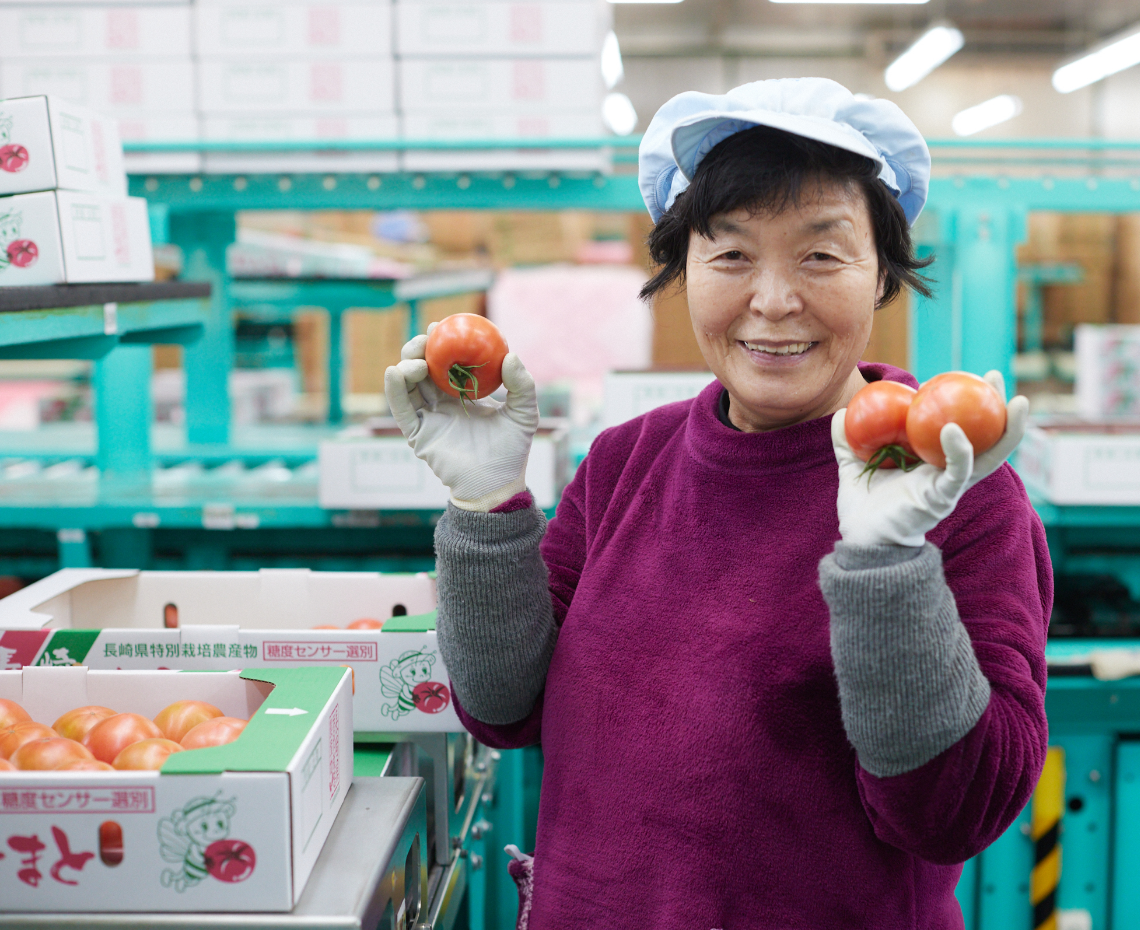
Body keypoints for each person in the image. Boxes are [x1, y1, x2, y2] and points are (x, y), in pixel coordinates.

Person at [385, 77, 1051, 929]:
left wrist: (890, 571)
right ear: (684, 270)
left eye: (821, 254)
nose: (773, 300)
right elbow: (503, 706)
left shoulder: (956, 491)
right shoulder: (628, 461)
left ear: (881, 272)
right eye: (731, 254)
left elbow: (955, 815)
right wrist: (486, 511)